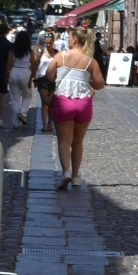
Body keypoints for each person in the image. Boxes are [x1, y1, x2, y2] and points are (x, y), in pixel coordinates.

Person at [48, 26, 104, 189]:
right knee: (78, 142)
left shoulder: (61, 56)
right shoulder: (90, 61)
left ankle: (65, 172)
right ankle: (76, 176)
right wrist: (87, 81)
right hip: (83, 102)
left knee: (64, 141)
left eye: (69, 37)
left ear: (74, 39)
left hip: (63, 100)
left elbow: (49, 75)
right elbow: (100, 84)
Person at [7, 29, 35, 132]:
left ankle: (16, 123)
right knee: (27, 95)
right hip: (25, 72)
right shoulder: (29, 51)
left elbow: (9, 64)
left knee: (15, 98)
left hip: (14, 71)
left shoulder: (12, 50)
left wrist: (7, 76)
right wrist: (32, 77)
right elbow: (33, 65)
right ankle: (22, 113)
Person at [35, 35, 59, 134]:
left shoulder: (57, 53)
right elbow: (35, 65)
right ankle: (44, 125)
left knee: (52, 104)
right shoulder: (40, 53)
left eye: (50, 42)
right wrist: (33, 78)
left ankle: (50, 123)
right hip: (42, 79)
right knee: (45, 102)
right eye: (46, 42)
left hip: (54, 79)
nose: (48, 44)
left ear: (53, 42)